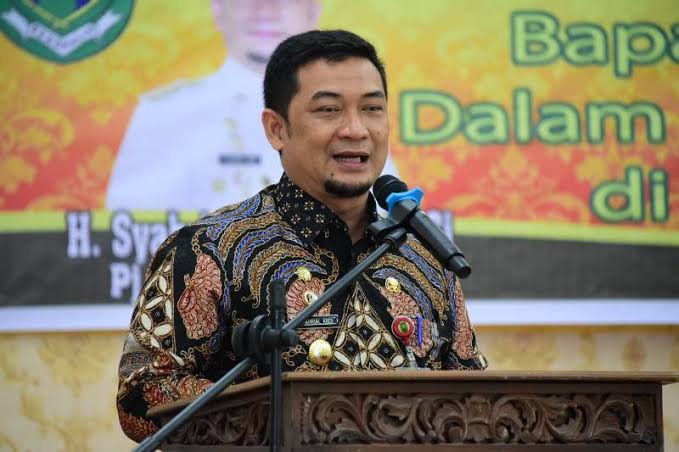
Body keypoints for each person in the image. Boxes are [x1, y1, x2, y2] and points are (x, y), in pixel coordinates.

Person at [116, 29, 486, 442]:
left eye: (372, 109)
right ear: (277, 129)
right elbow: (140, 398)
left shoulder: (424, 257)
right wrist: (284, 416)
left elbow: (472, 400)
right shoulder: (207, 251)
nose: (356, 129)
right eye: (329, 110)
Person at [106, 0, 399, 211]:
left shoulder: (362, 135)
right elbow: (130, 231)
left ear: (313, 9)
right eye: (328, 109)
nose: (267, 10)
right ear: (218, 8)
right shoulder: (165, 112)